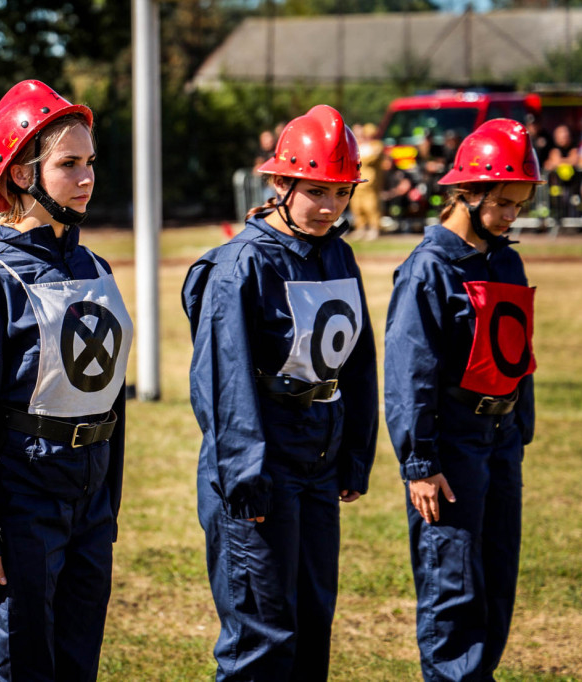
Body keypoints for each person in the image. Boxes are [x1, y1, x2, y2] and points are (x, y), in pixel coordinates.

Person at [0, 80, 132, 681]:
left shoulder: (94, 267)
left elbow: (108, 397)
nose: (87, 177)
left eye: (90, 162)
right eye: (68, 163)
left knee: (76, 665)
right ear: (22, 175)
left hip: (89, 504)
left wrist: (107, 505)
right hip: (21, 504)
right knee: (14, 667)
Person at [182, 105, 378, 681]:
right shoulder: (241, 264)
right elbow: (225, 379)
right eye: (316, 191)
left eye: (341, 193)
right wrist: (245, 476)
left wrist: (354, 454)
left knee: (312, 626)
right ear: (280, 182)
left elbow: (358, 361)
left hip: (318, 461)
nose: (329, 207)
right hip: (262, 468)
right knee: (263, 639)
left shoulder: (337, 252)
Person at [384, 119, 542, 682]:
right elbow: (409, 376)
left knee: (498, 584)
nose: (509, 217)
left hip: (501, 446)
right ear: (465, 193)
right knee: (454, 590)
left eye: (518, 206)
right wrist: (420, 465)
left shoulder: (506, 260)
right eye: (501, 203)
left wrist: (517, 434)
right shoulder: (428, 271)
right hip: (450, 453)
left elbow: (517, 355)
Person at [350, 122, 384, 240]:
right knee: (357, 206)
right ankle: (361, 228)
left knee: (371, 206)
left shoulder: (376, 145)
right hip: (357, 181)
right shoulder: (358, 145)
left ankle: (374, 228)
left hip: (369, 182)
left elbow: (371, 159)